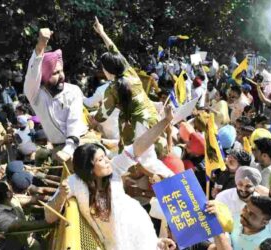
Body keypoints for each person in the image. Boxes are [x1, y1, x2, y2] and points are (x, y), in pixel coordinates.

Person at [45, 106, 176, 250]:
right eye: (101, 159)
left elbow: (139, 146)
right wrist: (62, 196)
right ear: (88, 168)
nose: (108, 161)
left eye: (105, 157)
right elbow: (49, 216)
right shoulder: (74, 183)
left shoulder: (114, 171)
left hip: (147, 237)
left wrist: (166, 120)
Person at [24, 28, 88, 165]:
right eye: (55, 73)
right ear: (44, 76)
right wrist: (41, 45)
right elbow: (32, 74)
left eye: (61, 71)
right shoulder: (35, 95)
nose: (61, 76)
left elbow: (74, 122)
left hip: (82, 142)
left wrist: (68, 149)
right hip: (59, 149)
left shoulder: (73, 91)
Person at [92, 17, 159, 149]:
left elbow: (102, 115)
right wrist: (102, 32)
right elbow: (114, 50)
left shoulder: (111, 89)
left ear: (106, 70)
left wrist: (92, 121)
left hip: (138, 130)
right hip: (153, 120)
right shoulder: (129, 71)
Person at [0, 181, 49, 249]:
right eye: (9, 187)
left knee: (40, 245)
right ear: (8, 194)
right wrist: (50, 222)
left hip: (23, 239)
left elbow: (34, 199)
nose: (11, 187)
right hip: (13, 247)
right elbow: (21, 226)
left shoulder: (11, 199)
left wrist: (55, 200)